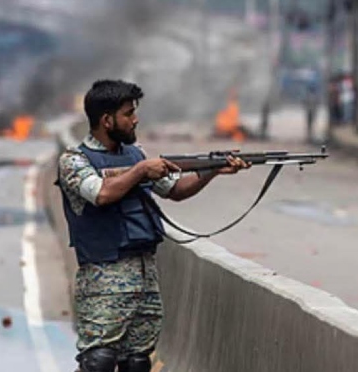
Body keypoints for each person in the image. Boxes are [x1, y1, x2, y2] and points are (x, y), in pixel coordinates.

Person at [57, 79, 250, 372]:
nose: (135, 119)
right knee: (98, 362)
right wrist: (141, 171)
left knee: (137, 363)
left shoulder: (135, 155)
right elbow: (101, 193)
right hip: (103, 280)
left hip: (145, 279)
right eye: (128, 113)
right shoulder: (75, 160)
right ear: (107, 120)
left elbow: (176, 190)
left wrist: (212, 170)